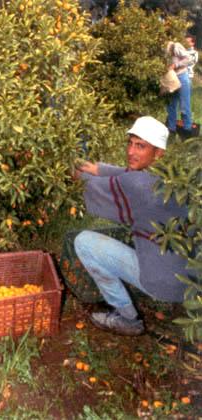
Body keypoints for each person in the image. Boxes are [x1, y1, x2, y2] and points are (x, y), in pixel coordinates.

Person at [73, 116, 189, 336]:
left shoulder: (138, 187)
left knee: (85, 242)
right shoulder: (175, 179)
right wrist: (99, 169)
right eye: (131, 143)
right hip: (189, 281)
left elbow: (90, 182)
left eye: (141, 146)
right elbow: (129, 176)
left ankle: (127, 320)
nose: (130, 151)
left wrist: (64, 167)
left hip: (162, 282)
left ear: (158, 153)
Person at [166, 41, 193, 137]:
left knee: (184, 106)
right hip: (171, 78)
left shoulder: (175, 46)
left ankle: (187, 130)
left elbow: (189, 59)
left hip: (182, 77)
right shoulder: (159, 48)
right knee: (170, 105)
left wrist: (176, 65)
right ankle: (171, 130)